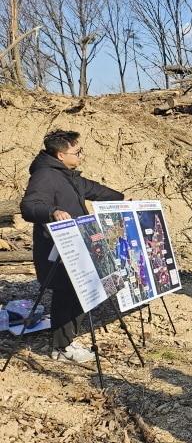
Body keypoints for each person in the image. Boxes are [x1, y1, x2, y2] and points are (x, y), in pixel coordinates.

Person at [20, 130, 125, 363]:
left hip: (80, 245)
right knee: (66, 295)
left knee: (80, 292)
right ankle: (61, 348)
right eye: (77, 152)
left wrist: (121, 198)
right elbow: (28, 206)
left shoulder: (68, 176)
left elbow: (94, 189)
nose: (81, 156)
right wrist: (52, 212)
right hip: (57, 249)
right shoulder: (45, 176)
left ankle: (69, 341)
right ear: (60, 154)